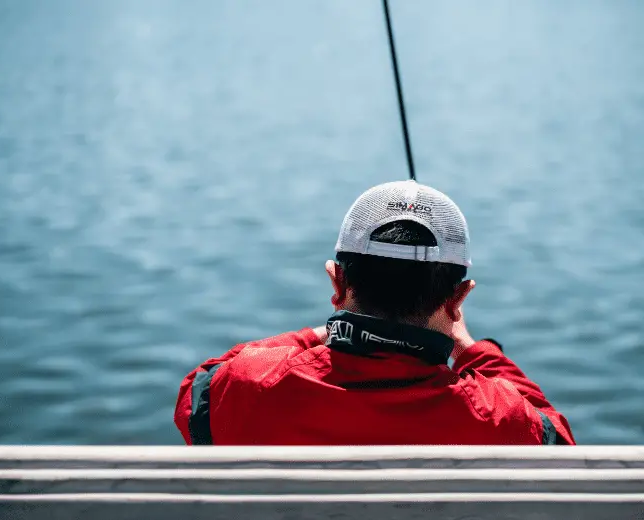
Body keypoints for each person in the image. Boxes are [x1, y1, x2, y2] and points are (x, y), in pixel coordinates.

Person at [175, 180, 575, 445]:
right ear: (458, 300)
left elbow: (198, 391)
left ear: (337, 284)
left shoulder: (248, 388)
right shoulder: (498, 417)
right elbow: (558, 443)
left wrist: (320, 333)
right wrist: (472, 349)